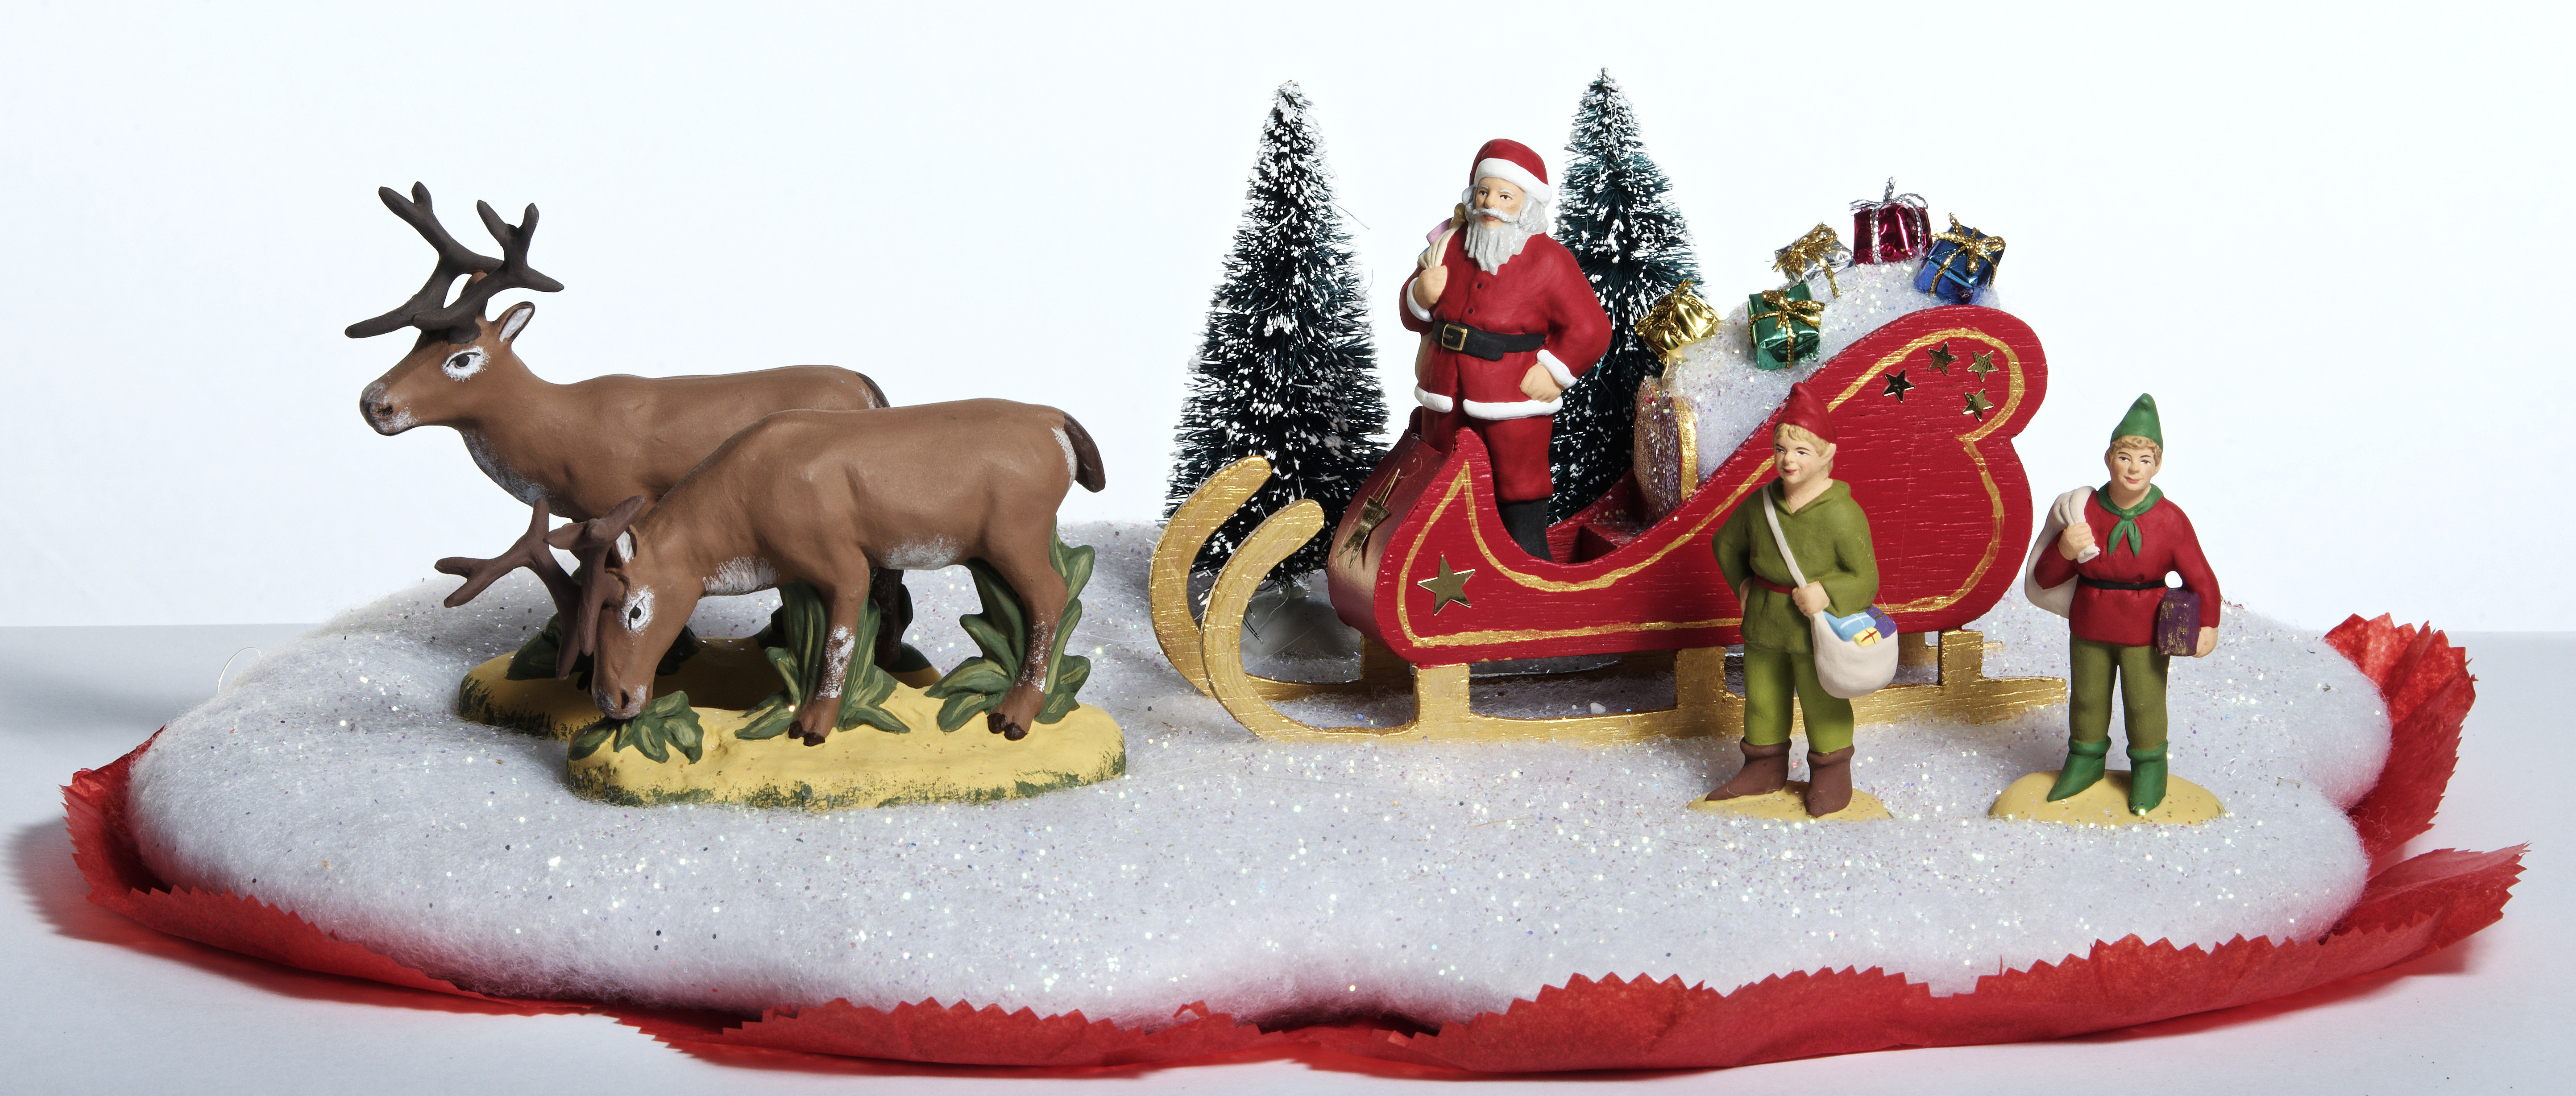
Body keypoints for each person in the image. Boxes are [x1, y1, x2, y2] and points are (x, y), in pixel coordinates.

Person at [1398, 138, 1612, 560]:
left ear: (1526, 205)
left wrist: (1554, 371)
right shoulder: (1447, 247)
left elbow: (1591, 328)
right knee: (1440, 472)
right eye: (1483, 192)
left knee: (1517, 478)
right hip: (1444, 389)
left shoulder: (1549, 260)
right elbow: (1413, 317)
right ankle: (1446, 559)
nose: (1490, 204)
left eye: (1504, 196)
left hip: (1511, 397)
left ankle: (1527, 558)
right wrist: (1420, 295)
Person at [2029, 394, 2221, 814]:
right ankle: (2084, 758)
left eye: (2144, 460)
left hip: (2145, 630)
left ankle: (2149, 767)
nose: (2134, 469)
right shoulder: (2083, 511)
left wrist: (2208, 623)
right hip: (2090, 624)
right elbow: (2044, 578)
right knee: (2087, 698)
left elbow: (2201, 577)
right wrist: (2064, 549)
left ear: (2157, 466)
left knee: (2144, 702)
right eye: (2124, 457)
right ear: (2109, 459)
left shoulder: (2170, 519)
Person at [1705, 383, 1878, 816]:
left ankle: (1831, 774)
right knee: (1763, 698)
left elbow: (1865, 580)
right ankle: (1762, 767)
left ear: (1827, 454)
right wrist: (1744, 586)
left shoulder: (1842, 513)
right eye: (1781, 450)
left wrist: (1828, 592)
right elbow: (1725, 543)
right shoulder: (1761, 504)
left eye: (1801, 451)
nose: (1788, 460)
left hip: (1816, 632)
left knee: (1823, 701)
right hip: (1765, 623)